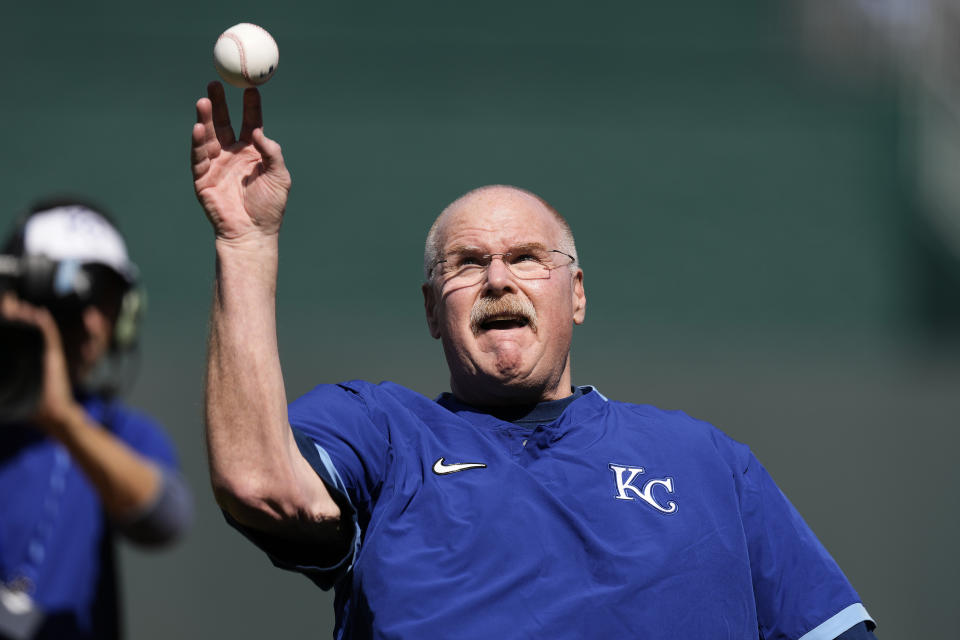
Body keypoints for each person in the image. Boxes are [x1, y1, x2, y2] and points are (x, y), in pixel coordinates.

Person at [192, 82, 878, 640]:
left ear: (575, 294)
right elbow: (256, 479)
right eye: (467, 263)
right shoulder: (383, 434)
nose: (497, 279)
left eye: (526, 258)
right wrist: (246, 247)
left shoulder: (710, 464)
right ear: (433, 310)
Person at [0, 198, 192, 640]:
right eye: (68, 297)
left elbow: (165, 518)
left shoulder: (114, 429)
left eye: (104, 299)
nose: (88, 321)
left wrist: (63, 420)